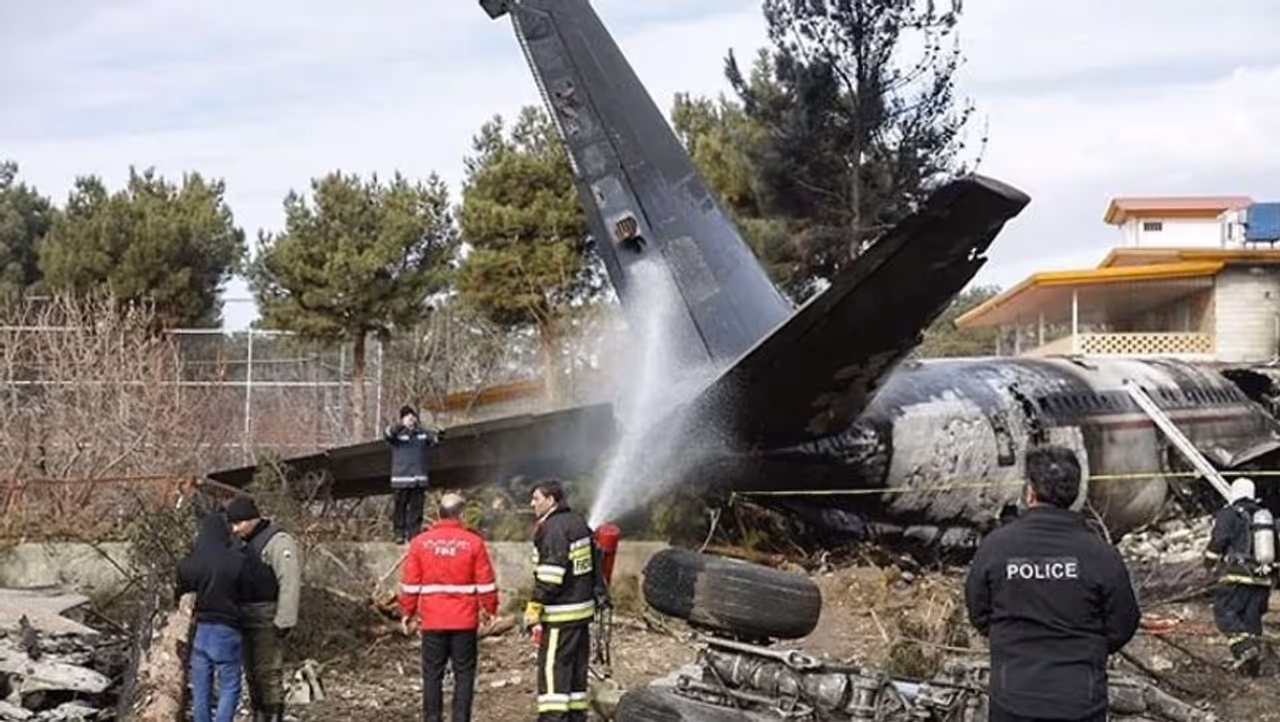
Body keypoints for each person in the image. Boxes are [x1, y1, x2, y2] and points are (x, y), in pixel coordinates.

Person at [964, 446, 1140, 722]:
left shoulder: (996, 547)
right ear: (1075, 493)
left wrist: (1012, 640)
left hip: (1013, 698)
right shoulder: (1100, 555)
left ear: (1030, 492)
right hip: (1079, 701)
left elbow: (979, 612)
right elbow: (1123, 623)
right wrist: (1087, 649)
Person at [399, 492, 499, 722]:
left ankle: (432, 718)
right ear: (461, 514)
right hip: (464, 621)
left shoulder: (420, 543)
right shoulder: (474, 542)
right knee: (464, 674)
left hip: (433, 621)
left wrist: (407, 612)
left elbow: (410, 585)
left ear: (439, 513)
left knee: (432, 675)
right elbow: (486, 584)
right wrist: (490, 610)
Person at [524, 480, 597, 722]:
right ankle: (576, 716)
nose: (532, 503)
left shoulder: (553, 528)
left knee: (553, 669)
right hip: (581, 612)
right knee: (576, 670)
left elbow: (551, 576)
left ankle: (553, 717)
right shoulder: (578, 522)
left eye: (536, 498)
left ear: (551, 500)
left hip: (560, 614)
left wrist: (534, 606)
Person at [226, 495, 303, 722]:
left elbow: (289, 581)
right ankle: (258, 714)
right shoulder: (241, 542)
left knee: (268, 672)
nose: (235, 529)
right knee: (251, 673)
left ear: (253, 519)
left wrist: (285, 619)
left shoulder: (278, 541)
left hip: (268, 616)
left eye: (239, 523)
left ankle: (273, 716)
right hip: (244, 615)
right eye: (232, 524)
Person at [176, 512, 251, 722]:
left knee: (201, 689)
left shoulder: (189, 563)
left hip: (199, 630)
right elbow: (250, 594)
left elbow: (180, 593)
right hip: (228, 629)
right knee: (230, 686)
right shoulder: (238, 561)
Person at [1203, 476, 1275, 675]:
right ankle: (1251, 667)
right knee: (1252, 619)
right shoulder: (1264, 517)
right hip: (1262, 578)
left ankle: (1245, 650)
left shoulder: (1230, 513)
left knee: (1224, 611)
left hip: (1236, 576)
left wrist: (1208, 563)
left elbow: (1219, 541)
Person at [385, 404, 444, 543]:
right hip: (401, 479)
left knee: (417, 508)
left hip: (419, 479)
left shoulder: (422, 433)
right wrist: (402, 425)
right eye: (407, 417)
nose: (411, 419)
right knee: (400, 507)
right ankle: (399, 534)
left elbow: (435, 439)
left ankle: (414, 535)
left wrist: (440, 432)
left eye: (412, 417)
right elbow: (388, 434)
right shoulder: (397, 434)